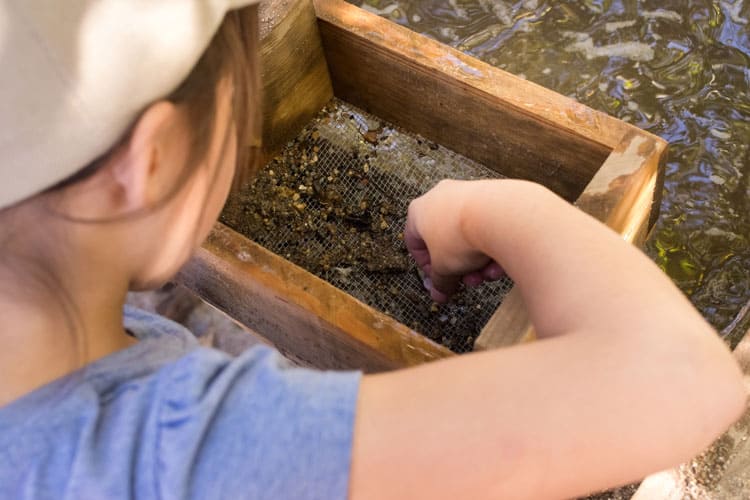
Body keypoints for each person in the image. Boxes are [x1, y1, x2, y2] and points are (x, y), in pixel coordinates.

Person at [0, 1, 745, 499]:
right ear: (149, 165)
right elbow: (684, 382)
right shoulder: (184, 455)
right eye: (243, 105)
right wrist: (501, 204)